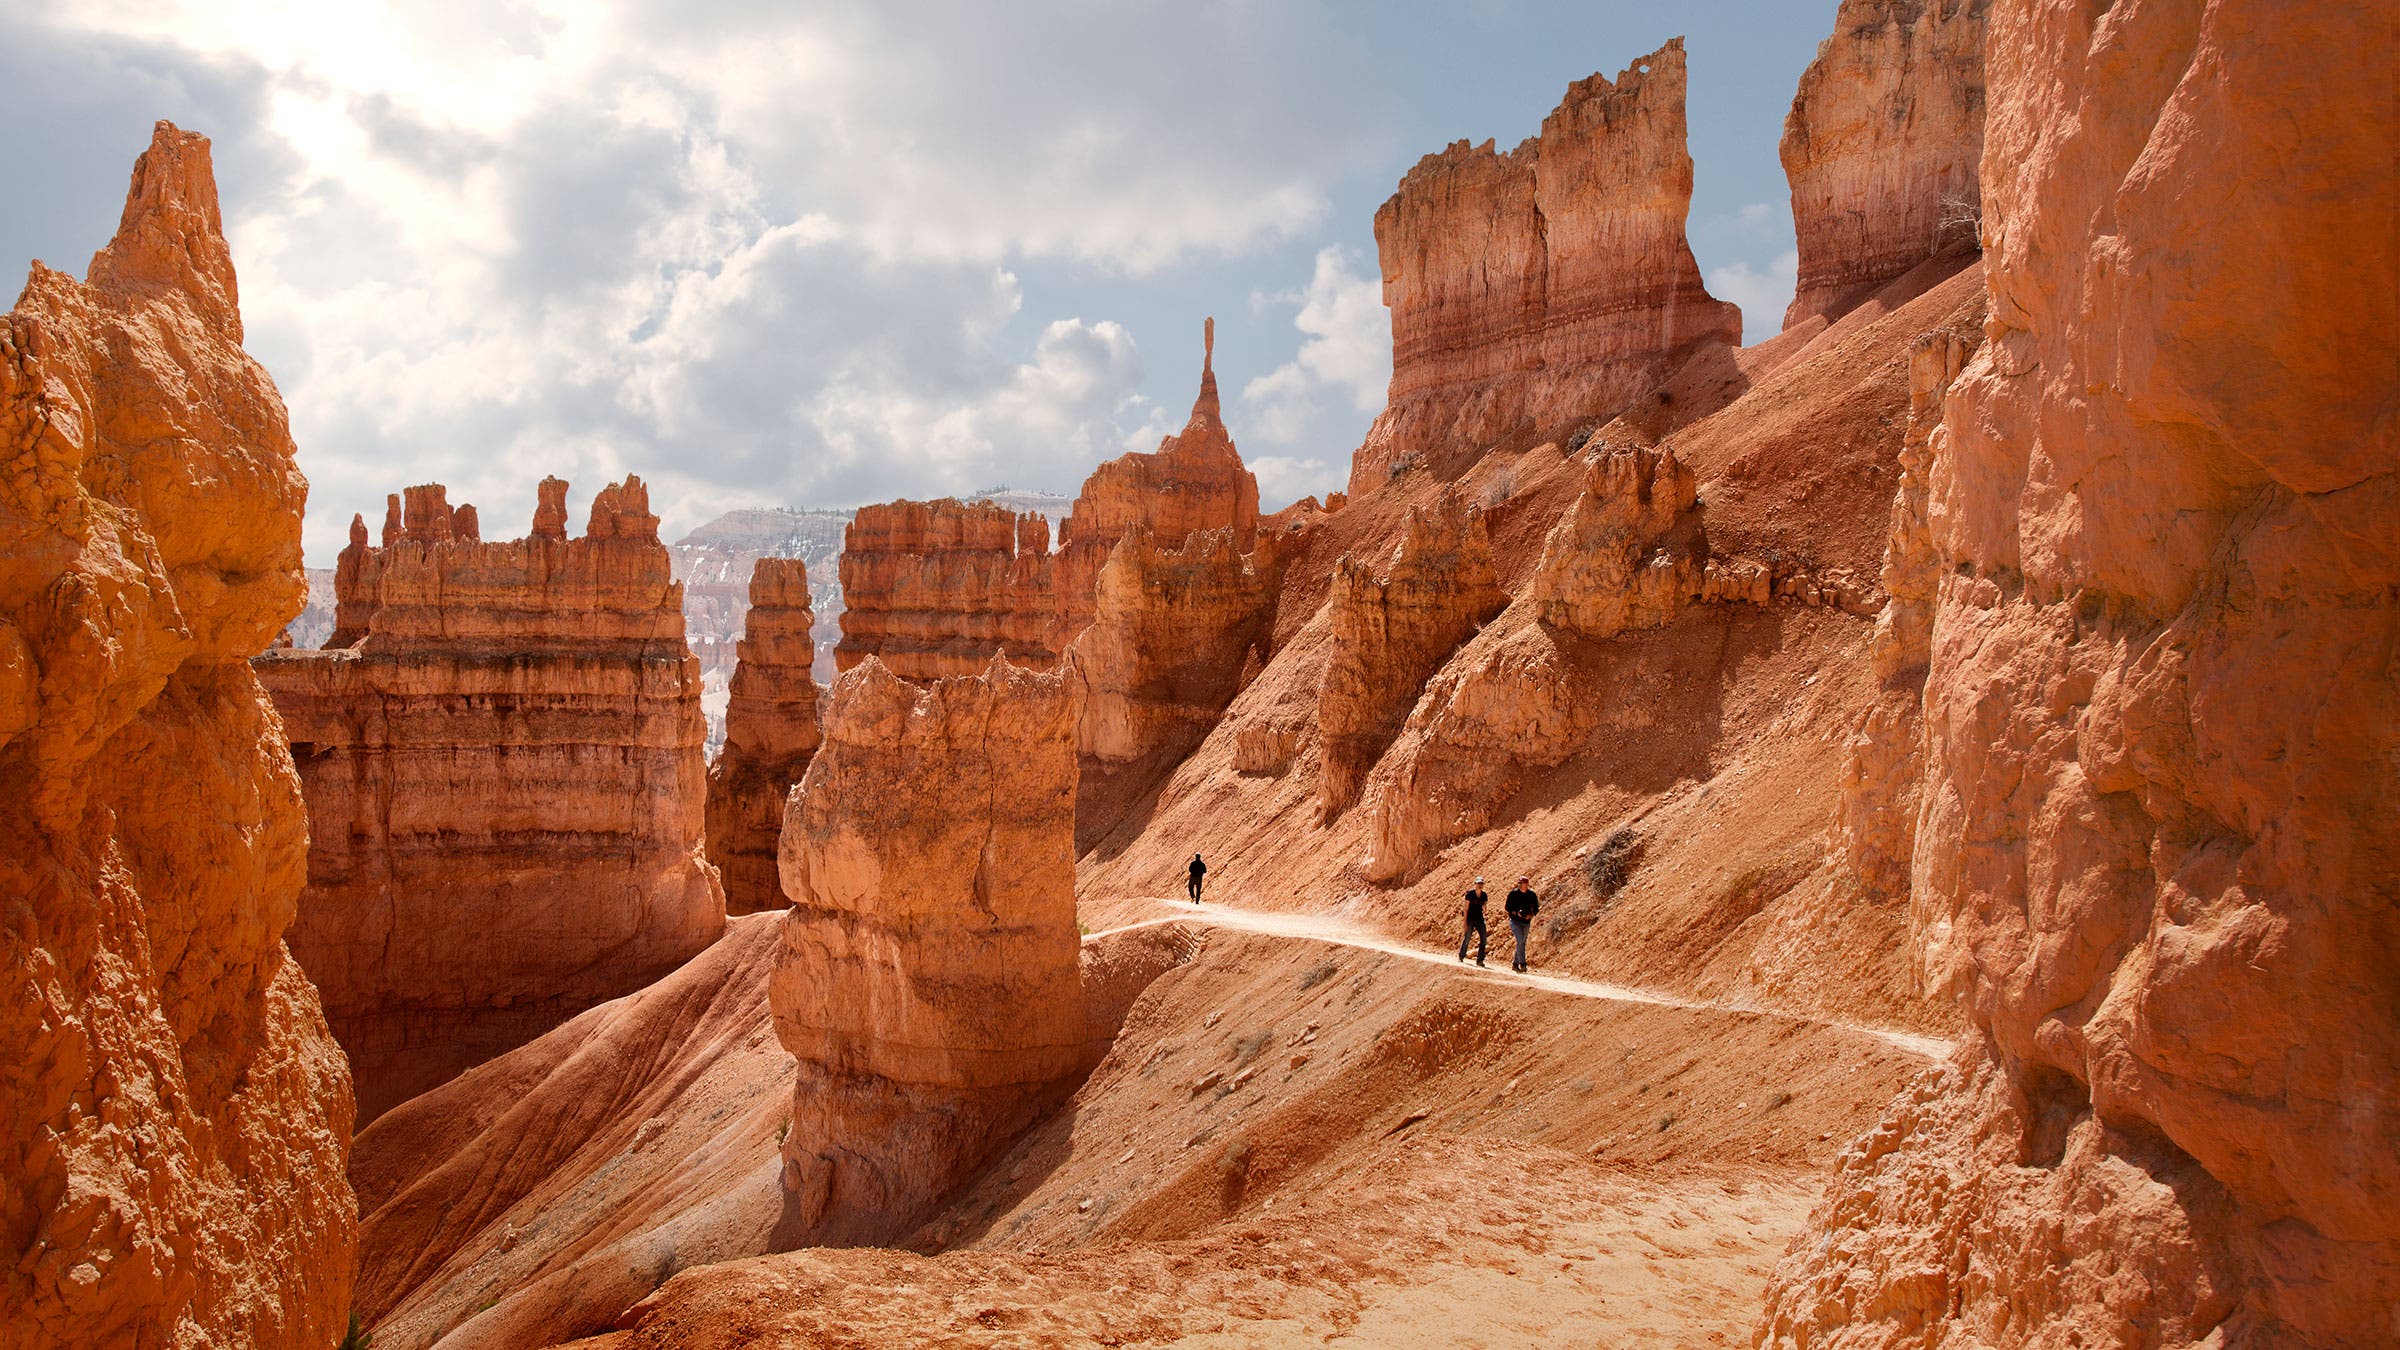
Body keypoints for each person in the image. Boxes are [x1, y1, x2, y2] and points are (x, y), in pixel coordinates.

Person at [1504, 875, 1540, 972]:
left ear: (1527, 884)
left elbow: (1536, 907)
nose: (1521, 885)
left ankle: (1515, 964)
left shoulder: (1531, 895)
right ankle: (1523, 964)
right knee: (1520, 941)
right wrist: (1515, 912)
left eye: (1523, 883)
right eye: (1520, 883)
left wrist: (1531, 915)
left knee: (1522, 943)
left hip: (1526, 922)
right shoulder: (1513, 894)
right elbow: (1507, 907)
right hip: (1515, 921)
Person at [1458, 876, 1489, 967]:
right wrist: (1465, 923)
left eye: (1481, 884)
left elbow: (1484, 907)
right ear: (1475, 884)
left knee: (1483, 938)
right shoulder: (1470, 894)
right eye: (1478, 883)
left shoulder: (1484, 895)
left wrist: (1485, 907)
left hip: (1479, 919)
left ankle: (1480, 960)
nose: (1480, 885)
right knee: (1467, 937)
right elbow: (1466, 909)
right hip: (1470, 919)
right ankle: (1461, 955)